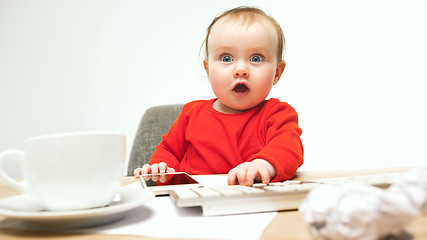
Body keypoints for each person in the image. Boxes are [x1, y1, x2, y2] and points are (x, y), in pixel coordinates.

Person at [134, 6, 303, 186]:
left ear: (277, 72)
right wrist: (161, 167)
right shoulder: (191, 114)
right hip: (193, 200)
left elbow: (289, 149)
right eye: (227, 58)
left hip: (250, 201)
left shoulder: (278, 113)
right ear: (208, 70)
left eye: (256, 58)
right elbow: (169, 150)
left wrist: (263, 164)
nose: (240, 70)